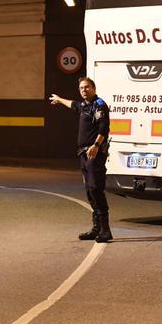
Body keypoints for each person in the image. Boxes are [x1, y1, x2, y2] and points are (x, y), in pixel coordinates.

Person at [49, 77, 113, 242]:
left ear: (93, 87)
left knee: (95, 188)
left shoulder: (99, 105)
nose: (84, 90)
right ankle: (96, 228)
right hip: (83, 154)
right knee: (89, 191)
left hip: (94, 153)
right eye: (81, 88)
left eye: (87, 87)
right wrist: (58, 99)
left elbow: (104, 128)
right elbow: (73, 104)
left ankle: (105, 230)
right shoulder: (84, 106)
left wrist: (96, 146)